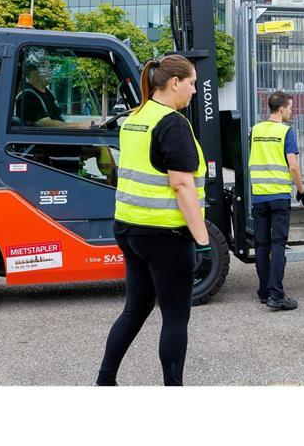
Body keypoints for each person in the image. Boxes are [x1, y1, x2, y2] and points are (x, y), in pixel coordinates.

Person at [96, 54, 211, 386]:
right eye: (191, 83)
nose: (193, 91)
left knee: (135, 309)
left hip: (129, 227)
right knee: (175, 318)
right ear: (174, 83)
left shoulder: (135, 118)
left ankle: (105, 381)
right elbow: (181, 184)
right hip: (165, 234)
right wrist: (201, 237)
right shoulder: (172, 123)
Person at [249, 90, 304, 311]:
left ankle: (264, 291)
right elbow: (293, 166)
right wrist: (300, 190)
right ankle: (276, 294)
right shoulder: (286, 132)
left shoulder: (255, 130)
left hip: (259, 196)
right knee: (278, 245)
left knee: (262, 245)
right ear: (281, 109)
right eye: (290, 108)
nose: (291, 112)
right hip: (279, 197)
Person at [15, 53, 90, 129]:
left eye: (50, 68)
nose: (50, 71)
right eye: (46, 68)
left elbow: (59, 119)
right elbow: (45, 124)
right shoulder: (27, 96)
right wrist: (81, 126)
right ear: (34, 72)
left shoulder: (48, 93)